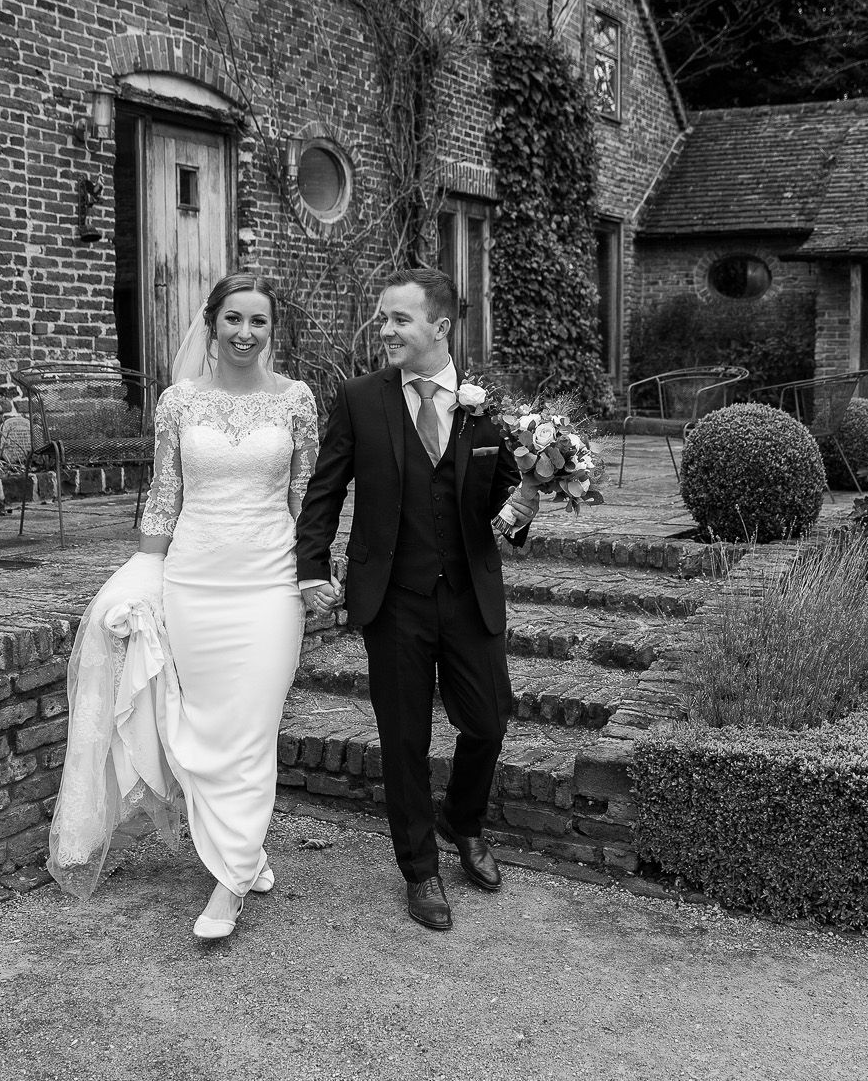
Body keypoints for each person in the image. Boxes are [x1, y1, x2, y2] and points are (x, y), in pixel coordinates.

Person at [48, 272, 318, 940]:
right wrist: (144, 571)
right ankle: (243, 850)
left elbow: (305, 497)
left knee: (251, 729)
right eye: (233, 318)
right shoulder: (178, 402)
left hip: (270, 584)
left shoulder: (296, 400)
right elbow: (165, 493)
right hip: (194, 583)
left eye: (258, 320)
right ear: (212, 322)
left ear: (272, 329)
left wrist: (317, 571)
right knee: (202, 731)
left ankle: (230, 883)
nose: (245, 333)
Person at [295, 265, 540, 931]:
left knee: (488, 721)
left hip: (468, 591)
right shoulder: (359, 397)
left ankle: (463, 819)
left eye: (399, 319)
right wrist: (310, 565)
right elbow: (325, 488)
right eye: (383, 318)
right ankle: (419, 868)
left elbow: (507, 492)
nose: (385, 330)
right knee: (402, 738)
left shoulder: (489, 407)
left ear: (440, 325)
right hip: (394, 597)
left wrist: (524, 505)